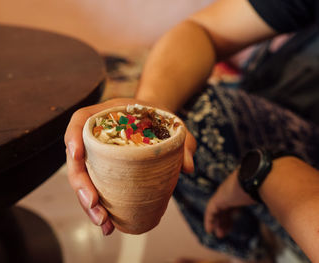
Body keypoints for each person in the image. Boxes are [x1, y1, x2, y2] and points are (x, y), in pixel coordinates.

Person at [64, 0, 319, 262]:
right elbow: (202, 30)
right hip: (288, 107)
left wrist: (264, 174)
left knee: (198, 120)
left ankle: (267, 252)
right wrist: (152, 107)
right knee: (180, 111)